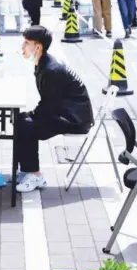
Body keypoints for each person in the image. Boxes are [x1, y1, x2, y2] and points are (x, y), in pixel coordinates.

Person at [14, 26, 94, 192]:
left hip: (75, 119)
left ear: (38, 47)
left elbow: (49, 105)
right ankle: (27, 170)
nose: (22, 46)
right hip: (65, 112)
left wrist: (33, 116)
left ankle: (36, 175)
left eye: (26, 43)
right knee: (21, 119)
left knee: (27, 125)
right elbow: (49, 103)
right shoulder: (43, 62)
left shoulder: (51, 70)